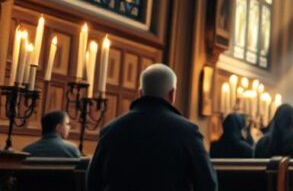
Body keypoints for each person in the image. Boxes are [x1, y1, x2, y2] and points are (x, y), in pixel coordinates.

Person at [86, 64, 216, 191]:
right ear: (172, 94)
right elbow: (208, 184)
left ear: (141, 92)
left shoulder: (110, 130)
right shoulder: (188, 132)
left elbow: (92, 182)